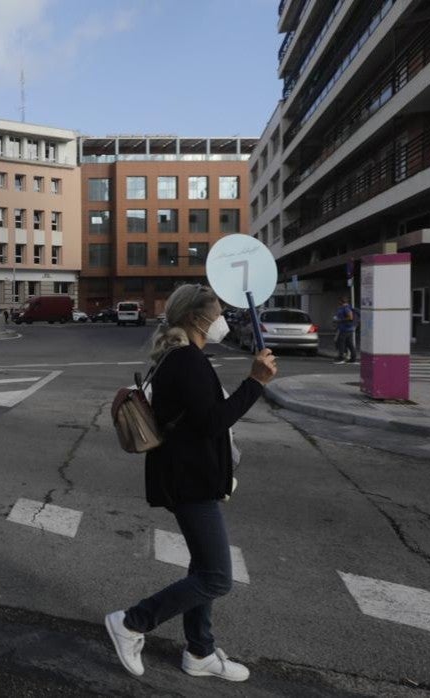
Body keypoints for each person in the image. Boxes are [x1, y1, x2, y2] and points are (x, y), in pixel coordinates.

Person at [105, 284, 276, 683]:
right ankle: (132, 622)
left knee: (203, 568)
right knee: (217, 577)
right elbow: (212, 422)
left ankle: (199, 651)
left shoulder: (180, 357)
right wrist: (255, 382)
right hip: (190, 481)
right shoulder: (186, 360)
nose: (221, 320)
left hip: (190, 476)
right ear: (197, 317)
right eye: (217, 313)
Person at [333, 299, 357, 364]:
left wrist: (339, 320)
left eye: (339, 301)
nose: (338, 302)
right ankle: (353, 359)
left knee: (341, 343)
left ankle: (341, 359)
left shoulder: (346, 308)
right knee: (349, 344)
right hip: (348, 329)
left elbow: (350, 317)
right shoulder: (343, 308)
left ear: (342, 301)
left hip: (345, 329)